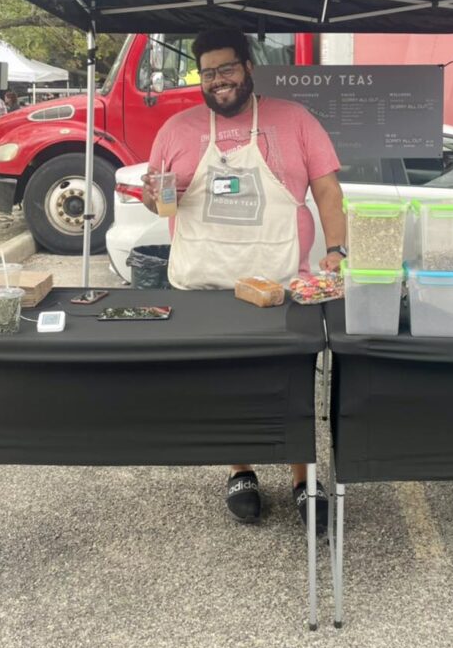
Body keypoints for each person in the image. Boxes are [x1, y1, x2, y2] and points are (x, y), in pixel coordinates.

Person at [142, 29, 346, 534]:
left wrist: (337, 250)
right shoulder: (176, 129)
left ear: (248, 67)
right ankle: (240, 470)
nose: (218, 81)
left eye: (227, 69)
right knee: (226, 383)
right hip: (204, 284)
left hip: (279, 281)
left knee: (291, 380)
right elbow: (160, 199)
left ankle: (304, 476)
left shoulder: (295, 120)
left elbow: (326, 188)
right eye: (208, 73)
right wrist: (153, 197)